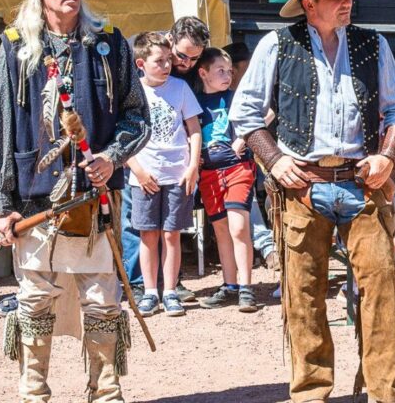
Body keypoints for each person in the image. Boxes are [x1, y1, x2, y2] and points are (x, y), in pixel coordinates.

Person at [230, 0, 395, 403]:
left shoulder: (374, 44)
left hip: (362, 180)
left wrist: (387, 157)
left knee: (381, 289)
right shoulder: (276, 45)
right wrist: (274, 160)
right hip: (302, 186)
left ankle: (386, 393)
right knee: (303, 294)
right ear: (310, 2)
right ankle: (312, 392)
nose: (347, 0)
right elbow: (245, 115)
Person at [0, 0, 149, 401]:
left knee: (103, 301)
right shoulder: (16, 46)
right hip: (36, 200)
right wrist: (0, 206)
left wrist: (113, 156)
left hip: (93, 201)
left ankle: (106, 392)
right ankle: (34, 392)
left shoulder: (110, 43)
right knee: (34, 299)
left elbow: (138, 116)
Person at [119, 17, 209, 305]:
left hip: (176, 164)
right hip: (143, 164)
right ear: (170, 38)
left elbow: (193, 124)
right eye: (181, 55)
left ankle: (169, 285)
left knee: (171, 231)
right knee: (140, 228)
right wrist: (133, 164)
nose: (186, 63)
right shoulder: (143, 58)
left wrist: (193, 163)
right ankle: (139, 285)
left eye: (195, 58)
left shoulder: (183, 80)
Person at [196, 48, 259, 312]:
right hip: (208, 172)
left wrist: (240, 140)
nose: (226, 75)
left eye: (229, 71)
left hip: (237, 167)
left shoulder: (235, 98)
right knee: (220, 229)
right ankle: (230, 284)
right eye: (220, 71)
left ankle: (246, 287)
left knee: (237, 227)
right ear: (203, 73)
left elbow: (263, 115)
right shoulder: (196, 102)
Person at [224, 41, 278, 270]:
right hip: (224, 165)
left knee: (258, 193)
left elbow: (271, 112)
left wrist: (245, 137)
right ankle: (266, 248)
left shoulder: (253, 92)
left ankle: (269, 248)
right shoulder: (219, 95)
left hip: (253, 160)